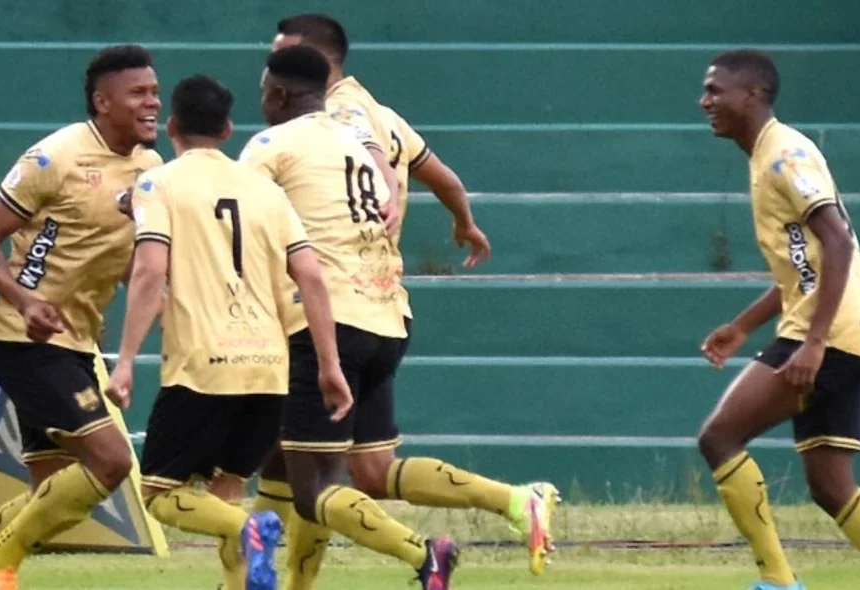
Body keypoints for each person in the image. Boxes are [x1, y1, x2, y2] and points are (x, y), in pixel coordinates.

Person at [256, 14, 558, 584]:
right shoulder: (385, 111)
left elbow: (365, 157)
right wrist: (465, 223)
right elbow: (442, 176)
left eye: (277, 56)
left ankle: (424, 554)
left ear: (307, 63)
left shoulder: (336, 115)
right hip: (384, 306)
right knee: (360, 469)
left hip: (324, 306)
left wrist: (389, 191)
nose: (266, 67)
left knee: (310, 479)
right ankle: (517, 501)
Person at [0, 44, 165, 590]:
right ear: (103, 102)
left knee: (43, 500)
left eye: (154, 91)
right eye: (139, 93)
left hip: (78, 342)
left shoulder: (150, 167)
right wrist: (25, 301)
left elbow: (127, 262)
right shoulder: (56, 158)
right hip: (22, 340)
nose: (153, 103)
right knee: (112, 462)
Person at [696, 49, 860, 590]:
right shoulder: (765, 155)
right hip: (842, 334)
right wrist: (744, 325)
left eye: (716, 90)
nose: (705, 101)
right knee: (832, 488)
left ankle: (778, 582)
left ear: (753, 95)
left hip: (826, 338)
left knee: (720, 437)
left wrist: (811, 344)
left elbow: (839, 239)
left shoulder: (785, 154)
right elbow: (804, 266)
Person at [103, 73, 352, 590]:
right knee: (227, 488)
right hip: (268, 367)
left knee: (159, 494)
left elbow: (149, 270)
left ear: (171, 125)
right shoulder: (266, 190)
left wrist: (125, 360)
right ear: (227, 129)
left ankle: (249, 529)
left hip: (204, 367)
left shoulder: (161, 182)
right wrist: (329, 365)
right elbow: (311, 276)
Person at [238, 46, 462, 589]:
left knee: (313, 488)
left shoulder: (270, 146)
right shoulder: (361, 140)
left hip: (326, 323)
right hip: (385, 319)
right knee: (322, 472)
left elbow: (232, 217)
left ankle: (423, 553)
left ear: (277, 94)